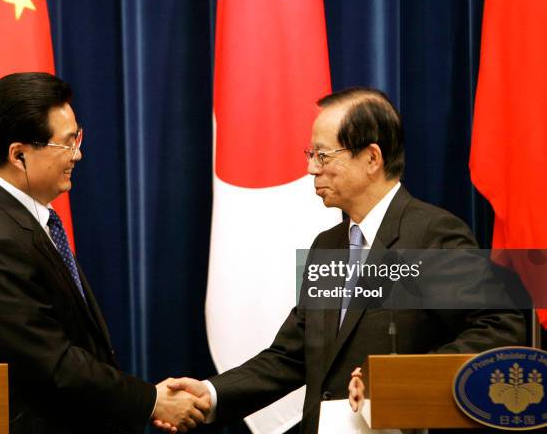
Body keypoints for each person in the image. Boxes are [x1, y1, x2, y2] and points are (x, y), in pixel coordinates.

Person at [155, 87, 526, 434]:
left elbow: (498, 329)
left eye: (323, 155)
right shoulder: (327, 247)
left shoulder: (433, 235)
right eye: (310, 155)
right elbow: (292, 354)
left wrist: (396, 380)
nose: (312, 169)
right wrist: (210, 393)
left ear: (371, 158)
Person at [0, 72, 209, 434]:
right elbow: (54, 365)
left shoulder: (23, 216)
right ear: (19, 154)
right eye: (67, 143)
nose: (78, 154)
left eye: (77, 138)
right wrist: (151, 401)